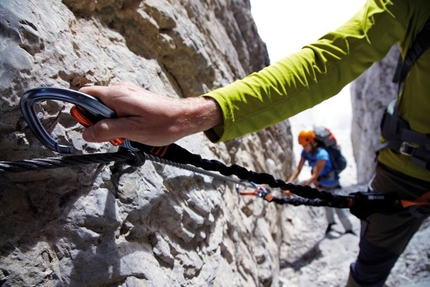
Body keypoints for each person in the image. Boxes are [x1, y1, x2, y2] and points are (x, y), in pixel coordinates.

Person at [78, 0, 430, 286]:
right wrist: (184, 116)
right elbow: (328, 61)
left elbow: (328, 71)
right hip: (406, 173)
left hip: (401, 172)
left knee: (368, 258)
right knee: (370, 263)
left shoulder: (318, 152)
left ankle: (344, 233)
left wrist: (299, 186)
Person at [287, 129, 355, 235]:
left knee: (338, 207)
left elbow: (315, 175)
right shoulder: (306, 153)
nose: (304, 148)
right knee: (326, 205)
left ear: (312, 142)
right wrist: (290, 182)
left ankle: (349, 229)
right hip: (322, 184)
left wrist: (298, 189)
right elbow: (298, 169)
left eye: (305, 145)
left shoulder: (322, 154)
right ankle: (332, 224)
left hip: (332, 184)